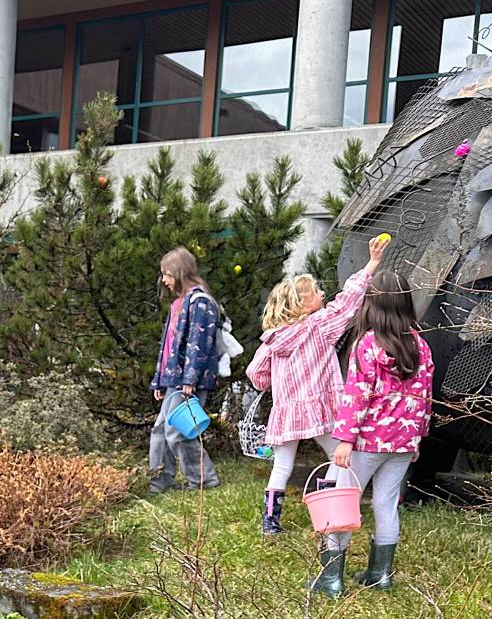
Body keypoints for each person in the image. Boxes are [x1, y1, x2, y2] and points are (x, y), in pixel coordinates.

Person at [246, 236, 389, 535]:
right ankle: (329, 509)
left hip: (287, 411)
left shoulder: (273, 338)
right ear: (302, 304)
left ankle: (270, 522)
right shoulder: (319, 326)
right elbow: (347, 303)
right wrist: (372, 264)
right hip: (318, 406)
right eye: (316, 291)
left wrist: (275, 385)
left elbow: (255, 373)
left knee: (281, 466)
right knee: (338, 454)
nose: (323, 293)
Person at [310, 269, 434, 598]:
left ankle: (331, 579)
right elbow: (425, 397)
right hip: (403, 444)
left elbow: (356, 396)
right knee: (386, 504)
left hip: (366, 443)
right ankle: (381, 574)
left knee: (343, 504)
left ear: (372, 303)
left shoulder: (367, 344)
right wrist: (417, 437)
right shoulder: (421, 346)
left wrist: (344, 440)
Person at [148, 246, 220, 493]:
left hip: (189, 380)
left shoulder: (201, 303)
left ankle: (203, 480)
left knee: (179, 430)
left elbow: (199, 344)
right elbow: (168, 346)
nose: (164, 280)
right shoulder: (179, 304)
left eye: (167, 274)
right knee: (161, 430)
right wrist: (160, 380)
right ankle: (159, 480)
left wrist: (190, 379)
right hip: (174, 379)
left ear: (179, 273)